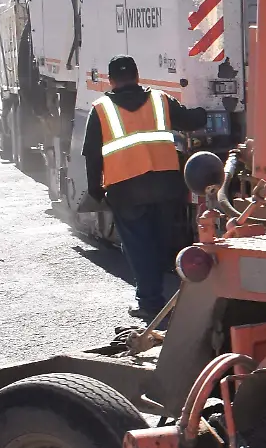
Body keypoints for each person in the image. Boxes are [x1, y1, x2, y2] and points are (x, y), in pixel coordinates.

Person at [82, 56, 208, 321]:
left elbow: (92, 155)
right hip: (165, 187)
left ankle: (150, 303)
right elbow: (191, 120)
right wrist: (206, 110)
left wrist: (95, 191)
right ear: (138, 77)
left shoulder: (101, 109)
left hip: (126, 191)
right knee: (161, 242)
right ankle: (171, 294)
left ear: (111, 80)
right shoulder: (159, 100)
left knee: (139, 246)